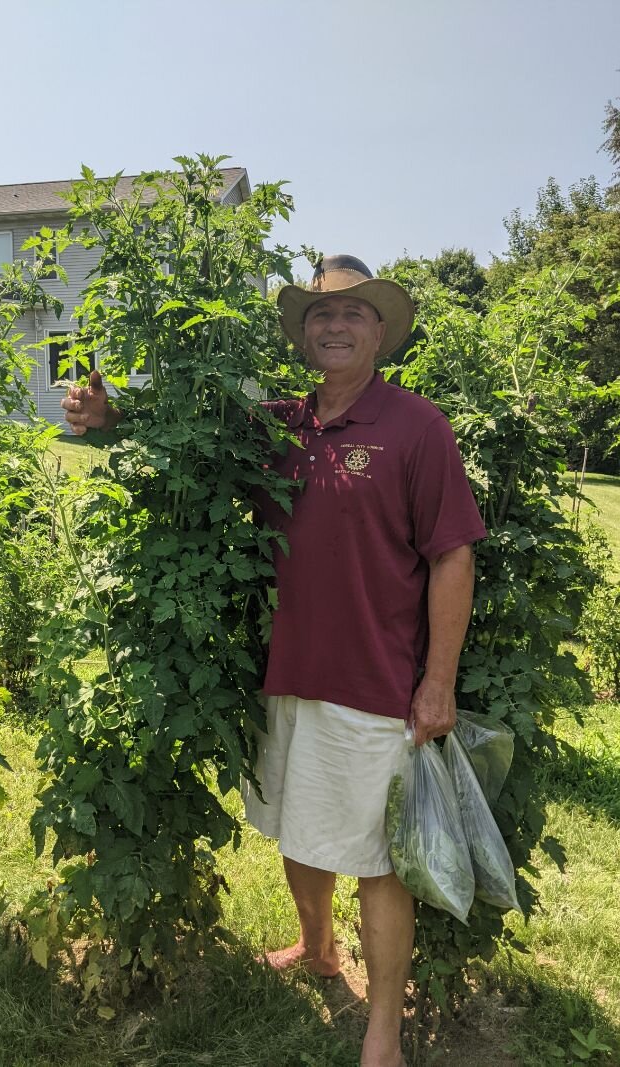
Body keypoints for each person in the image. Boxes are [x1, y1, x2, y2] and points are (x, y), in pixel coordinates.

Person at [61, 254, 486, 1067]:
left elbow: (453, 556)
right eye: (320, 315)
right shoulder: (279, 426)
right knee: (297, 824)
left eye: (353, 314)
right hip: (287, 670)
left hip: (378, 685)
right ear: (301, 334)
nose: (334, 326)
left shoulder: (416, 427)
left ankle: (384, 1033)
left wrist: (438, 680)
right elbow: (190, 438)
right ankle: (320, 948)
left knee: (379, 857)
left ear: (380, 333)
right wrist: (110, 415)